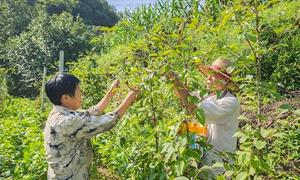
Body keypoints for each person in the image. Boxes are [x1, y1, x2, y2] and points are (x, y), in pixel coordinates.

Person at [44, 73, 138, 180]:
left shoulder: (59, 113)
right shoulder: (66, 121)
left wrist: (111, 92)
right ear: (65, 98)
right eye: (78, 91)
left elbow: (91, 113)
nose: (81, 94)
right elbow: (107, 121)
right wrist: (130, 97)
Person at [168, 57, 240, 177]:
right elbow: (185, 98)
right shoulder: (207, 97)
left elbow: (192, 105)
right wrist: (173, 81)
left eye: (214, 75)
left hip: (219, 167)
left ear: (226, 80)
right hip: (203, 164)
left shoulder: (230, 102)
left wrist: (175, 79)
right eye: (208, 74)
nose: (208, 78)